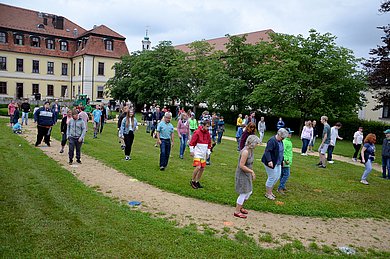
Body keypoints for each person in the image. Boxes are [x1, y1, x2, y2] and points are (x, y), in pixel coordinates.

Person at [233, 135, 261, 219]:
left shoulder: (251, 150)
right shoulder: (245, 152)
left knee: (249, 192)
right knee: (244, 192)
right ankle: (237, 211)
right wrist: (251, 171)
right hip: (242, 174)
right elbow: (241, 165)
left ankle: (240, 207)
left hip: (246, 174)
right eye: (256, 143)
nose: (257, 145)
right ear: (252, 143)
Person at [262, 128, 288, 200]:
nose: (283, 139)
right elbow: (267, 151)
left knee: (277, 177)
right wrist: (269, 160)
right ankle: (268, 193)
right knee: (272, 177)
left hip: (278, 162)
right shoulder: (272, 141)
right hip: (270, 162)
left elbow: (281, 152)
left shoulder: (280, 141)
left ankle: (270, 192)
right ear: (279, 134)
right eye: (282, 137)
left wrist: (282, 160)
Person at [189, 119, 212, 189]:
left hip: (204, 153)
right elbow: (192, 143)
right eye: (207, 126)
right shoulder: (197, 132)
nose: (208, 128)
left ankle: (197, 181)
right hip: (198, 153)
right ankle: (192, 180)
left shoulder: (207, 133)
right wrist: (191, 151)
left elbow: (209, 143)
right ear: (203, 125)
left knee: (202, 168)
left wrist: (208, 152)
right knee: (198, 167)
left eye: (209, 127)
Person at [277, 128, 294, 195]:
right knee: (286, 174)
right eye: (289, 133)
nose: (290, 134)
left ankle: (282, 186)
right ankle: (280, 188)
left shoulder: (288, 141)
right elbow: (282, 152)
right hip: (285, 161)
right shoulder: (285, 142)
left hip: (287, 161)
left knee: (283, 174)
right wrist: (284, 160)